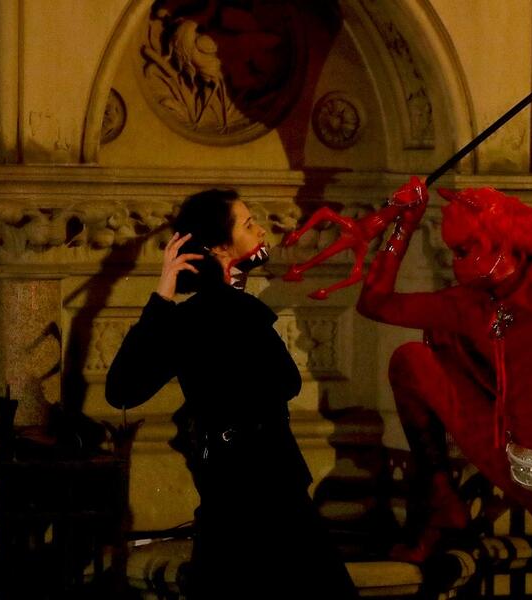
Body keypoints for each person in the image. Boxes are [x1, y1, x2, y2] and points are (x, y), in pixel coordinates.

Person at [355, 54, 532, 599]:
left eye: (464, 248)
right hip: (507, 454)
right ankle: (442, 498)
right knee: (411, 362)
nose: (456, 258)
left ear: (498, 241)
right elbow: (376, 304)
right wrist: (404, 225)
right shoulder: (468, 303)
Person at [105, 189, 358, 599]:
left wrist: (164, 298)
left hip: (238, 490)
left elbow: (123, 389)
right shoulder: (219, 314)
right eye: (246, 223)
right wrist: (165, 298)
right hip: (261, 495)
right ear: (220, 247)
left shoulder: (203, 315)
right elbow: (122, 390)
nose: (260, 228)